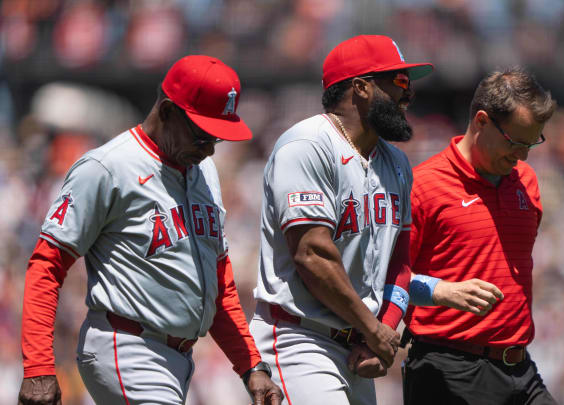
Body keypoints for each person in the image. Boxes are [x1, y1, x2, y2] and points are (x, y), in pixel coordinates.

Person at [18, 55, 283, 405]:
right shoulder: (108, 167)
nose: (210, 149)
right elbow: (46, 264)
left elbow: (220, 285)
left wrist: (251, 366)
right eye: (204, 135)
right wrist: (38, 366)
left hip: (178, 359)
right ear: (169, 111)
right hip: (126, 346)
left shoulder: (204, 173)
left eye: (217, 139)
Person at [249, 35, 433, 405]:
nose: (408, 94)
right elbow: (312, 256)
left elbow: (399, 263)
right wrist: (373, 330)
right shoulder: (307, 145)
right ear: (361, 87)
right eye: (398, 81)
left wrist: (384, 329)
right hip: (298, 337)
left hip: (355, 346)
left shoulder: (395, 162)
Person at [401, 67, 558, 405]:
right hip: (449, 369)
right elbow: (385, 279)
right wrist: (441, 291)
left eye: (532, 143)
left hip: (520, 369)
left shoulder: (526, 180)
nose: (523, 156)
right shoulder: (423, 186)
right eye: (516, 142)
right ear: (482, 121)